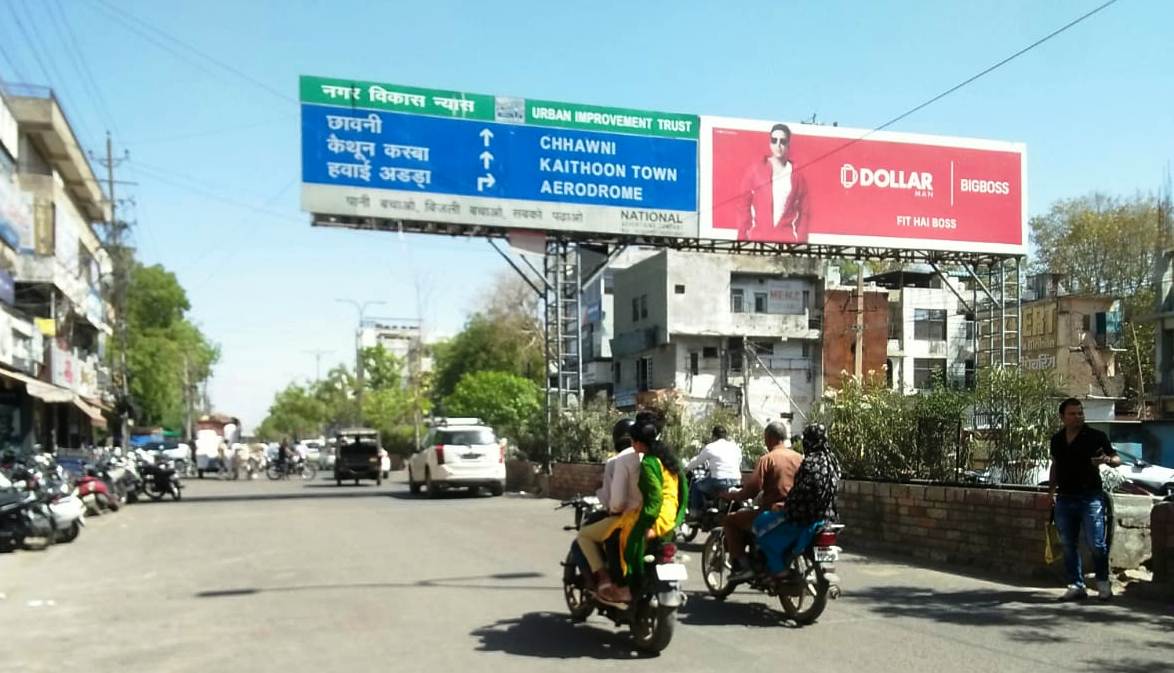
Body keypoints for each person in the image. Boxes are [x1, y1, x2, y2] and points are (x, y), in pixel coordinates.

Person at [608, 418, 688, 604]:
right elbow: (683, 488)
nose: (633, 445)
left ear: (639, 442)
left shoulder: (649, 463)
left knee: (623, 542)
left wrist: (647, 524)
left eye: (634, 441)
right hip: (671, 516)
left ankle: (628, 587)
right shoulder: (669, 459)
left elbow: (655, 497)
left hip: (657, 516)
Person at [1048, 398, 1119, 601]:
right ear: (1062, 417)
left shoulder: (1095, 436)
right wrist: (1050, 493)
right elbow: (1056, 466)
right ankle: (1076, 585)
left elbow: (1116, 459)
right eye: (1072, 414)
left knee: (1096, 543)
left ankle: (1103, 584)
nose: (1077, 417)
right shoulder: (1057, 439)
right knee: (1068, 544)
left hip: (1090, 496)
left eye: (1080, 413)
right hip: (1065, 497)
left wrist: (1106, 460)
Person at [753, 423, 841, 578]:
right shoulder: (833, 461)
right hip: (827, 516)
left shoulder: (810, 463)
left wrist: (785, 506)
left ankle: (778, 569)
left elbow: (801, 492)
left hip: (802, 515)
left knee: (760, 526)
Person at [719, 421, 803, 581]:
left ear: (770, 438)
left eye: (765, 438)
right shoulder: (799, 458)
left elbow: (753, 489)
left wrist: (734, 496)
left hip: (773, 511)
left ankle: (744, 567)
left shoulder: (767, 459)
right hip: (797, 511)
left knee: (730, 521)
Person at [576, 418, 643, 603]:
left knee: (584, 535)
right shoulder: (656, 457)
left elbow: (614, 502)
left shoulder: (618, 460)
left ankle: (604, 578)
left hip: (626, 519)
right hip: (655, 520)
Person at [737, 123, 809, 243]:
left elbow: (804, 211)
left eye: (783, 141)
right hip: (759, 241)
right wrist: (742, 238)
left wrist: (801, 241)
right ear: (769, 143)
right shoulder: (755, 171)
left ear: (788, 145)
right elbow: (743, 205)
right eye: (774, 140)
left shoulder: (797, 175)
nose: (778, 145)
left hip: (787, 242)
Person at [684, 425, 743, 520]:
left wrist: (686, 468)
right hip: (736, 480)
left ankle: (694, 513)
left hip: (718, 480)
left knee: (696, 485)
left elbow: (697, 461)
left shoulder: (710, 447)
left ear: (714, 436)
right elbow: (739, 461)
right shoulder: (735, 447)